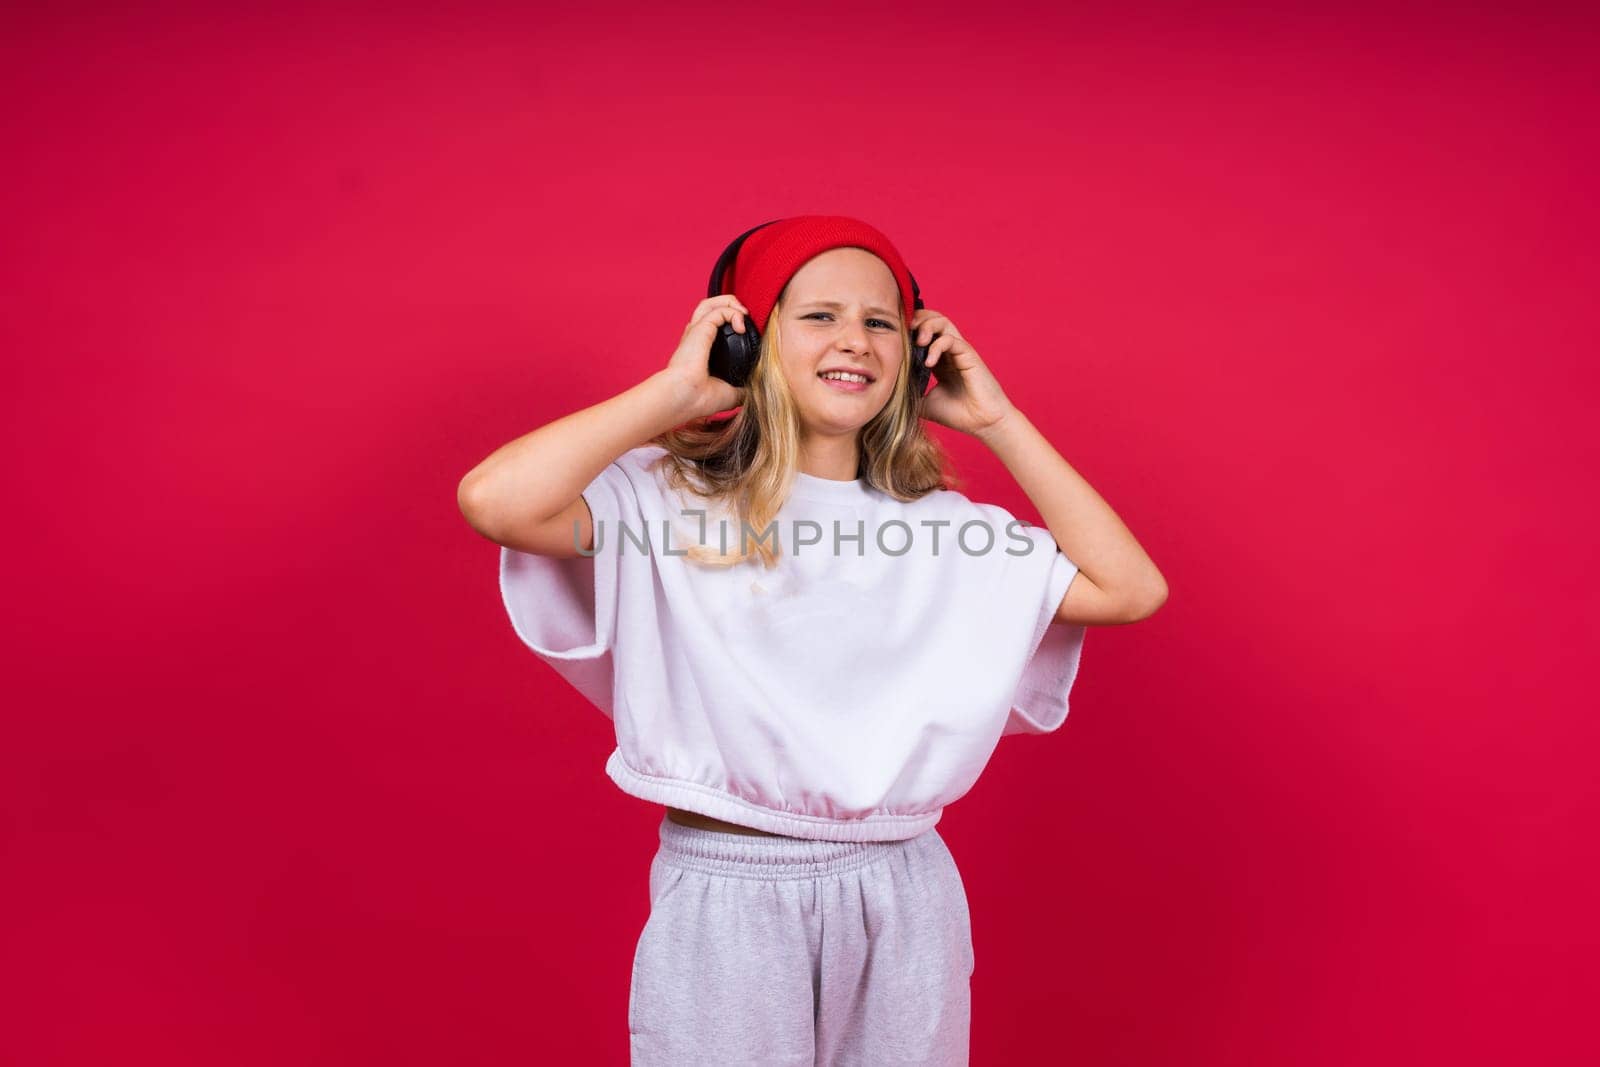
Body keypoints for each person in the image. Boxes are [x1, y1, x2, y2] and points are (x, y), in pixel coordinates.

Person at [457, 215, 1167, 1065]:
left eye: (880, 323)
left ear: (913, 354)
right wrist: (679, 392)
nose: (855, 341)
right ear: (746, 339)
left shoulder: (943, 531)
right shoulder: (664, 503)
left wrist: (999, 421)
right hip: (731, 888)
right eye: (819, 315)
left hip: (903, 888)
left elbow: (1131, 588)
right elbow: (496, 500)